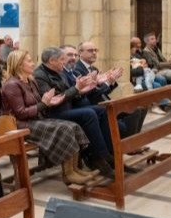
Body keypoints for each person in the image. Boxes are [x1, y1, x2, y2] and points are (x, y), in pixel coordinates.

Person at [2, 51, 99, 184]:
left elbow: (39, 103)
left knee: (72, 126)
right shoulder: (12, 85)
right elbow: (21, 113)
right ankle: (68, 174)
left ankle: (75, 169)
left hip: (34, 120)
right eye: (29, 61)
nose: (33, 64)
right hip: (19, 125)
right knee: (64, 129)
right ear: (19, 65)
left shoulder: (30, 81)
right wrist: (44, 104)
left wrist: (49, 101)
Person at [33, 47, 117, 177]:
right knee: (89, 114)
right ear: (52, 60)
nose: (64, 62)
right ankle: (100, 156)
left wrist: (83, 88)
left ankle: (109, 152)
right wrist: (77, 88)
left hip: (67, 108)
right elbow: (52, 101)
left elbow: (69, 92)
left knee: (102, 110)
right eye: (62, 59)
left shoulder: (59, 71)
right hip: (53, 113)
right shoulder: (40, 75)